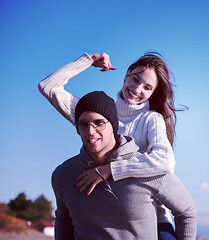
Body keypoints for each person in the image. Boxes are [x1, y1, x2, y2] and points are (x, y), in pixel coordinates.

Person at [39, 52, 179, 239]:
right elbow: (48, 86)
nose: (137, 89)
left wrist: (110, 169)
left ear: (153, 92)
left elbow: (166, 162)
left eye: (147, 87)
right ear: (127, 73)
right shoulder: (96, 114)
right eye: (135, 79)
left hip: (151, 217)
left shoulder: (151, 120)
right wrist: (87, 61)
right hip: (100, 214)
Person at [52, 91, 196, 240]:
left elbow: (186, 212)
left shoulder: (147, 168)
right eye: (83, 124)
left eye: (99, 123)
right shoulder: (64, 174)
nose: (90, 131)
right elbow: (63, 220)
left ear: (113, 125)